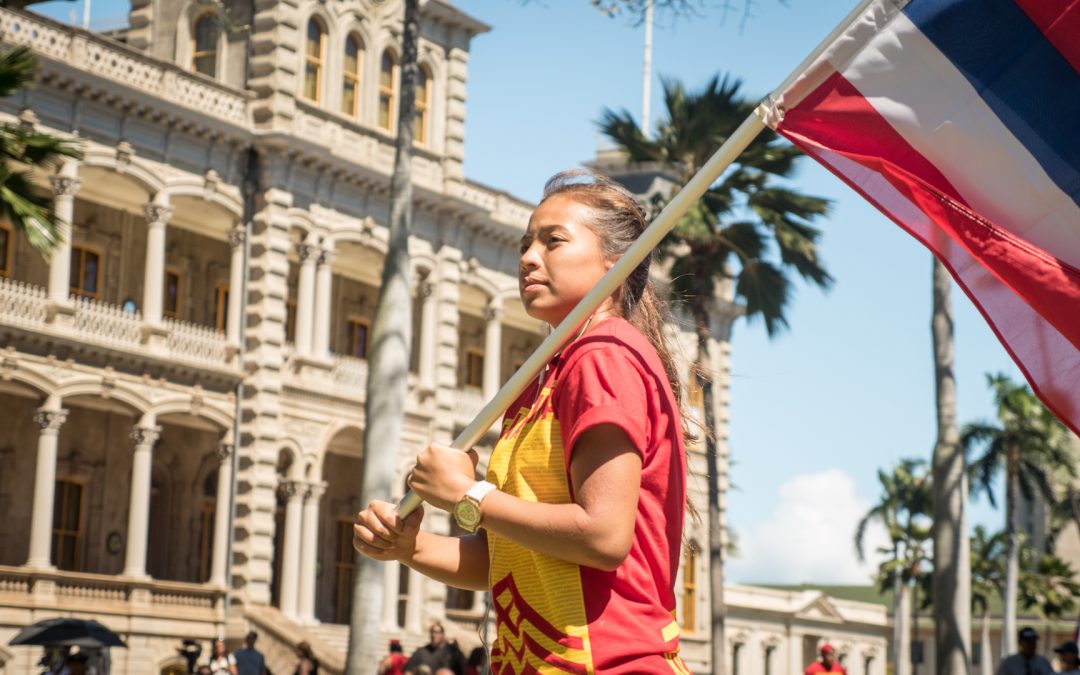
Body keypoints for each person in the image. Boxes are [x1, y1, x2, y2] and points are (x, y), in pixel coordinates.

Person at [353, 170, 691, 673]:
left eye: (553, 242)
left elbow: (602, 537)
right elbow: (505, 559)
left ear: (614, 264)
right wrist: (410, 545)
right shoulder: (541, 379)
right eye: (526, 244)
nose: (529, 258)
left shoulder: (605, 357)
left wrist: (469, 495)